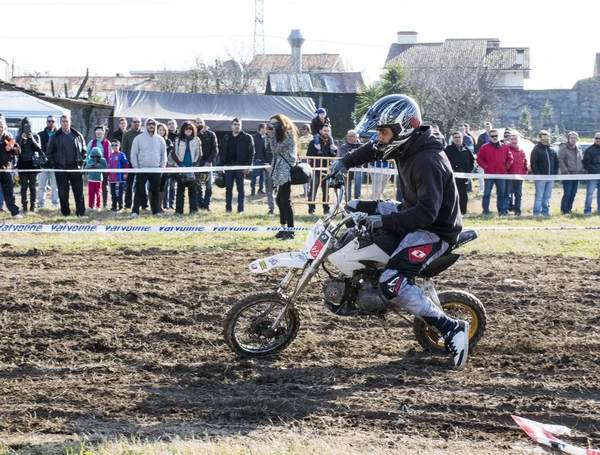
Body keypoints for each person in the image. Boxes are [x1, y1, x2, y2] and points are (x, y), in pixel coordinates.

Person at [329, 94, 470, 370]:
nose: (379, 138)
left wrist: (388, 222)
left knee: (392, 281)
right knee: (354, 206)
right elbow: (372, 149)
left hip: (433, 230)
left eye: (383, 132)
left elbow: (427, 214)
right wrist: (343, 163)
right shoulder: (406, 146)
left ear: (403, 129)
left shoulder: (427, 161)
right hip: (411, 213)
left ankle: (451, 328)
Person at [46, 115, 87, 217]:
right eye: (63, 121)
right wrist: (55, 165)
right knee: (63, 192)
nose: (65, 123)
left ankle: (80, 212)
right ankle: (65, 213)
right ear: (60, 123)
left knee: (79, 191)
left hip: (75, 167)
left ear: (70, 122)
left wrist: (81, 161)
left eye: (66, 121)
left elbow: (84, 151)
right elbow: (49, 153)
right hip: (61, 168)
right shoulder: (55, 136)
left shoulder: (78, 135)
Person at [265, 114, 298, 240]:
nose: (273, 125)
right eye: (271, 123)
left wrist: (271, 135)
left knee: (285, 201)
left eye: (275, 123)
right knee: (280, 200)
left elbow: (276, 149)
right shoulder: (276, 135)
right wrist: (268, 135)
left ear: (281, 123)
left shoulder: (289, 134)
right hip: (279, 168)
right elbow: (268, 148)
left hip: (286, 169)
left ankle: (290, 231)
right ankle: (283, 228)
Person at [129, 118, 167, 218]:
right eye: (149, 124)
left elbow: (164, 155)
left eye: (153, 124)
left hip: (156, 169)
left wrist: (161, 168)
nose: (151, 126)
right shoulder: (138, 138)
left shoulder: (160, 139)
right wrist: (136, 167)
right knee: (139, 191)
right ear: (145, 125)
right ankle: (135, 211)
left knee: (155, 191)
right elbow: (133, 154)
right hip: (142, 169)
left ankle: (155, 211)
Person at [220, 118, 254, 214]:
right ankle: (228, 209)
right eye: (235, 124)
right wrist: (221, 167)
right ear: (231, 125)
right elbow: (222, 153)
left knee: (240, 189)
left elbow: (251, 153)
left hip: (241, 166)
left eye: (238, 124)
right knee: (228, 189)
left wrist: (248, 167)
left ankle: (240, 209)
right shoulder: (226, 137)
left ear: (241, 126)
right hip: (229, 166)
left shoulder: (247, 137)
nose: (236, 126)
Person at [476, 129, 513, 216]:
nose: (494, 137)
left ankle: (502, 211)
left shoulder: (505, 147)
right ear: (489, 137)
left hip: (502, 174)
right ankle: (485, 211)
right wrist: (485, 167)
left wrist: (507, 165)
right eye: (492, 136)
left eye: (496, 136)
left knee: (501, 194)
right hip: (489, 175)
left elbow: (510, 157)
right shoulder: (484, 147)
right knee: (487, 193)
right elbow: (479, 159)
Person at [170, 121, 201, 215]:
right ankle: (179, 211)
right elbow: (174, 154)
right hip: (180, 168)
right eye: (186, 128)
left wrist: (194, 165)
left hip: (193, 168)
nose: (188, 130)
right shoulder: (177, 139)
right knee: (180, 191)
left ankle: (193, 210)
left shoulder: (197, 140)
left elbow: (200, 154)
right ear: (183, 130)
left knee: (193, 191)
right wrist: (180, 165)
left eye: (190, 128)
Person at [307, 124, 337, 215]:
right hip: (316, 169)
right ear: (320, 131)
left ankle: (326, 209)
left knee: (326, 190)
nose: (326, 133)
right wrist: (317, 150)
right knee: (313, 190)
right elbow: (309, 155)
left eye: (328, 131)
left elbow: (333, 156)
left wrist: (335, 150)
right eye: (325, 131)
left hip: (326, 170)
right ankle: (312, 209)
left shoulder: (331, 143)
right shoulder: (313, 142)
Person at [16, 118, 43, 213]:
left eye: (28, 126)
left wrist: (32, 140)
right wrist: (22, 140)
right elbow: (17, 151)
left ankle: (33, 205)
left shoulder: (36, 136)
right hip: (22, 163)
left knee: (32, 186)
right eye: (25, 126)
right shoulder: (19, 136)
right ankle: (24, 205)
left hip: (33, 163)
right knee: (23, 186)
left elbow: (39, 149)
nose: (26, 128)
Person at [444, 131, 474, 215]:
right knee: (451, 195)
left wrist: (468, 172)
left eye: (459, 137)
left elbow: (472, 161)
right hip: (451, 177)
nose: (457, 139)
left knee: (463, 195)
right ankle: (451, 212)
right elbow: (444, 161)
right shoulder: (448, 149)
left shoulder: (466, 149)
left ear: (462, 138)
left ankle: (462, 212)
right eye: (455, 137)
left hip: (463, 177)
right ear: (453, 139)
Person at [530, 130, 558, 216]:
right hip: (540, 177)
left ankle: (545, 211)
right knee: (539, 196)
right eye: (543, 137)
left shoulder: (552, 150)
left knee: (547, 196)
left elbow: (556, 163)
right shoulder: (536, 149)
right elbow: (533, 163)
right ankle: (536, 211)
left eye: (547, 137)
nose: (545, 139)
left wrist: (555, 174)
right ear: (540, 138)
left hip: (551, 177)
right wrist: (538, 175)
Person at [0, 118, 23, 218]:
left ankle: (15, 212)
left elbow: (18, 151)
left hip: (6, 170)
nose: (0, 129)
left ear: (5, 127)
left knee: (9, 192)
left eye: (1, 126)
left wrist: (11, 149)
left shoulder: (9, 138)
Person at [558, 132, 584, 215]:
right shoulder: (563, 148)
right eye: (571, 138)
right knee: (567, 193)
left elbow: (580, 160)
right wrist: (566, 172)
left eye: (575, 138)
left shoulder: (579, 148)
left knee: (573, 193)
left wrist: (581, 171)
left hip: (576, 175)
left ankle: (569, 210)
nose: (573, 139)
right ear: (568, 139)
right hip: (567, 175)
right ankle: (564, 210)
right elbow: (560, 160)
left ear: (577, 139)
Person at [195, 117, 219, 211]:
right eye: (197, 122)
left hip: (208, 163)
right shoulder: (194, 134)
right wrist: (200, 133)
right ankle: (200, 204)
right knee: (199, 185)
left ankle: (207, 204)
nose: (199, 124)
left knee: (209, 185)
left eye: (200, 122)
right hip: (197, 164)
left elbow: (215, 149)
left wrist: (208, 161)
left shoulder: (211, 134)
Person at [37, 115, 60, 209]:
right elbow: (37, 149)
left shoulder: (59, 135)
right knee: (42, 186)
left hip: (55, 165)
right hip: (43, 165)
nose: (50, 123)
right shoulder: (40, 135)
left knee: (55, 186)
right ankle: (40, 204)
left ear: (55, 123)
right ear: (46, 122)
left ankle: (55, 203)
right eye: (49, 121)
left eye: (52, 121)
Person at [86, 125, 111, 209]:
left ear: (104, 133)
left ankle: (104, 204)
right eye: (97, 132)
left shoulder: (107, 143)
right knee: (92, 189)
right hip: (93, 170)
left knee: (104, 187)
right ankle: (91, 205)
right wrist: (89, 164)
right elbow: (87, 154)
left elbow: (110, 155)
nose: (99, 133)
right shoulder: (91, 142)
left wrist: (106, 167)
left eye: (100, 131)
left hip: (104, 166)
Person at [121, 117, 143, 209]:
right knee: (129, 185)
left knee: (141, 185)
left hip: (141, 163)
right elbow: (124, 150)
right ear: (131, 123)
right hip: (130, 163)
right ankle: (128, 204)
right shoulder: (126, 135)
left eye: (138, 122)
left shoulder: (143, 134)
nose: (136, 123)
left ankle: (143, 204)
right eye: (135, 122)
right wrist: (125, 165)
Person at [253, 123, 274, 214]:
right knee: (269, 190)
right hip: (267, 167)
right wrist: (265, 164)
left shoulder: (280, 140)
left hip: (279, 167)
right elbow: (261, 153)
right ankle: (271, 208)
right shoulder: (264, 140)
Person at [506, 133, 528, 216]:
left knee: (518, 195)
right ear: (509, 140)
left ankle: (518, 211)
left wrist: (524, 174)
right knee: (508, 194)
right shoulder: (506, 149)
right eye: (512, 139)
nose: (513, 141)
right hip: (509, 176)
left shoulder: (522, 151)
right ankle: (506, 210)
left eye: (515, 139)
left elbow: (525, 163)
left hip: (519, 177)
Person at [337, 129, 362, 200]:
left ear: (356, 137)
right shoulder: (343, 147)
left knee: (358, 177)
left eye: (352, 136)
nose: (350, 138)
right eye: (349, 136)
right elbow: (342, 157)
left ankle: (357, 197)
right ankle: (348, 200)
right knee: (347, 184)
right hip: (346, 168)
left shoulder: (361, 146)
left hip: (357, 167)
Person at [107, 139, 130, 211]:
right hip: (112, 178)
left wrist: (125, 173)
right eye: (112, 145)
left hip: (119, 178)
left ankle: (121, 206)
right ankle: (114, 206)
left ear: (119, 146)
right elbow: (109, 166)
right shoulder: (111, 156)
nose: (114, 147)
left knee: (119, 193)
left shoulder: (121, 155)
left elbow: (126, 164)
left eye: (116, 145)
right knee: (113, 193)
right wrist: (108, 175)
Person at [156, 123, 174, 213]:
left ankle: (162, 205)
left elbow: (169, 153)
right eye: (159, 129)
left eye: (163, 130)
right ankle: (154, 205)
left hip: (165, 166)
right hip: (155, 166)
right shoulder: (154, 140)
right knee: (154, 186)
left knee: (164, 185)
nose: (161, 131)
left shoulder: (168, 142)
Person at [583, 132, 600, 216]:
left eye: (599, 138)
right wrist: (596, 170)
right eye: (596, 138)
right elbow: (586, 163)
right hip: (593, 175)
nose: (598, 140)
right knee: (590, 193)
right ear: (594, 139)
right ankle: (587, 210)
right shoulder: (589, 150)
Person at [163, 119, 179, 210]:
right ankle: (165, 204)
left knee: (173, 185)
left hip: (176, 164)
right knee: (165, 185)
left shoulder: (180, 136)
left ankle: (172, 204)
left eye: (173, 123)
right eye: (169, 124)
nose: (171, 125)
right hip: (166, 164)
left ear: (176, 125)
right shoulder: (166, 137)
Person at [250, 123, 266, 196]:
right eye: (265, 128)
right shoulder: (254, 137)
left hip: (263, 160)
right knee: (254, 175)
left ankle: (260, 189)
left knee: (262, 176)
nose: (266, 130)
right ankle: (252, 189)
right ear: (261, 129)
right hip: (256, 159)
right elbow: (251, 148)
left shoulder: (266, 137)